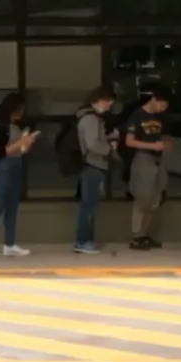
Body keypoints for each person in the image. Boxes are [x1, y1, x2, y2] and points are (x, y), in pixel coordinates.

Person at [0, 92, 35, 258]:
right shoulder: (1, 127)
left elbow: (20, 150)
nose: (22, 113)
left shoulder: (16, 126)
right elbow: (1, 152)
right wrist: (21, 143)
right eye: (20, 109)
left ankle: (10, 244)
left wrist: (27, 143)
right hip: (4, 167)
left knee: (12, 206)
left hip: (16, 164)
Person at [123, 88, 171, 250]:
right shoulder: (137, 115)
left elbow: (163, 135)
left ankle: (144, 234)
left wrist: (165, 144)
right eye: (161, 105)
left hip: (159, 159)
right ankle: (136, 236)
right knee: (143, 198)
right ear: (154, 100)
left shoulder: (160, 117)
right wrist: (152, 146)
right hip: (144, 158)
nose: (162, 109)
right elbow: (129, 141)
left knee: (155, 200)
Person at [73, 85, 117, 254]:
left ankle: (84, 241)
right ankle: (83, 241)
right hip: (93, 165)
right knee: (88, 207)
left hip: (90, 166)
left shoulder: (87, 117)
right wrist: (109, 149)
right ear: (99, 100)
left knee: (88, 206)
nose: (110, 106)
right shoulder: (91, 119)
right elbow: (92, 144)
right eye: (108, 102)